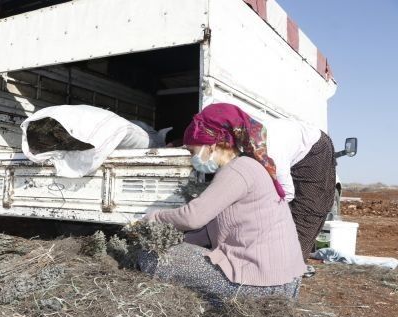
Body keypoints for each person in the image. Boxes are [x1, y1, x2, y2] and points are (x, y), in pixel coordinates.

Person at [141, 103, 305, 304]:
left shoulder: (237, 170)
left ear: (210, 145)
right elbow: (208, 230)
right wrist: (177, 241)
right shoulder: (248, 166)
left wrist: (154, 218)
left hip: (262, 286)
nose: (192, 158)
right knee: (175, 252)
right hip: (285, 282)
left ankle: (220, 302)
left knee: (151, 257)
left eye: (193, 151)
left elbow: (193, 217)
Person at [252, 115, 336, 262]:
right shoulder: (244, 147)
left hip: (315, 149)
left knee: (308, 211)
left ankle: (290, 270)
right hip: (290, 146)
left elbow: (287, 192)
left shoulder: (272, 151)